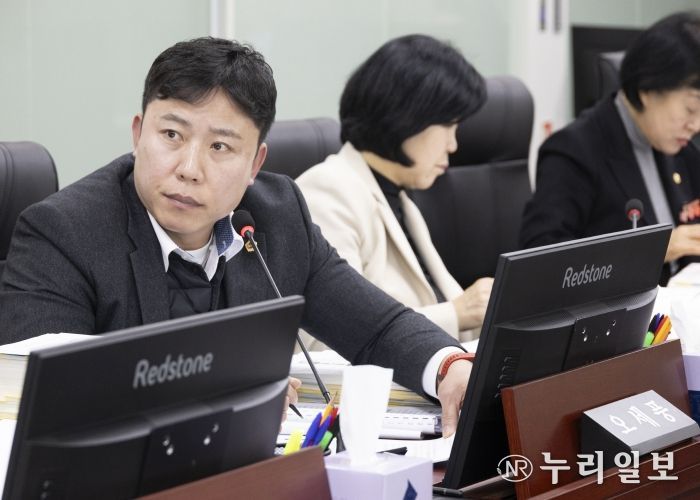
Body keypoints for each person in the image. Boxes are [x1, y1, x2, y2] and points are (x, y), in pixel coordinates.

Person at [0, 37, 473, 436]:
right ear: (139, 134)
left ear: (255, 164)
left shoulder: (277, 216)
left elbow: (376, 327)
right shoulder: (64, 233)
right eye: (171, 135)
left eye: (220, 146)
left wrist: (449, 367)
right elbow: (39, 396)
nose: (189, 168)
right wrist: (211, 394)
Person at [296, 34, 493, 343]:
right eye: (448, 126)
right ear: (407, 116)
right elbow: (326, 339)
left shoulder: (398, 197)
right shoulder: (328, 191)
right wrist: (457, 314)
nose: (453, 145)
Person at [520, 12, 700, 284]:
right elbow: (540, 262)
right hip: (625, 310)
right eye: (691, 108)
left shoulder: (682, 149)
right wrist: (652, 251)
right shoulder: (574, 151)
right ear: (647, 90)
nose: (696, 125)